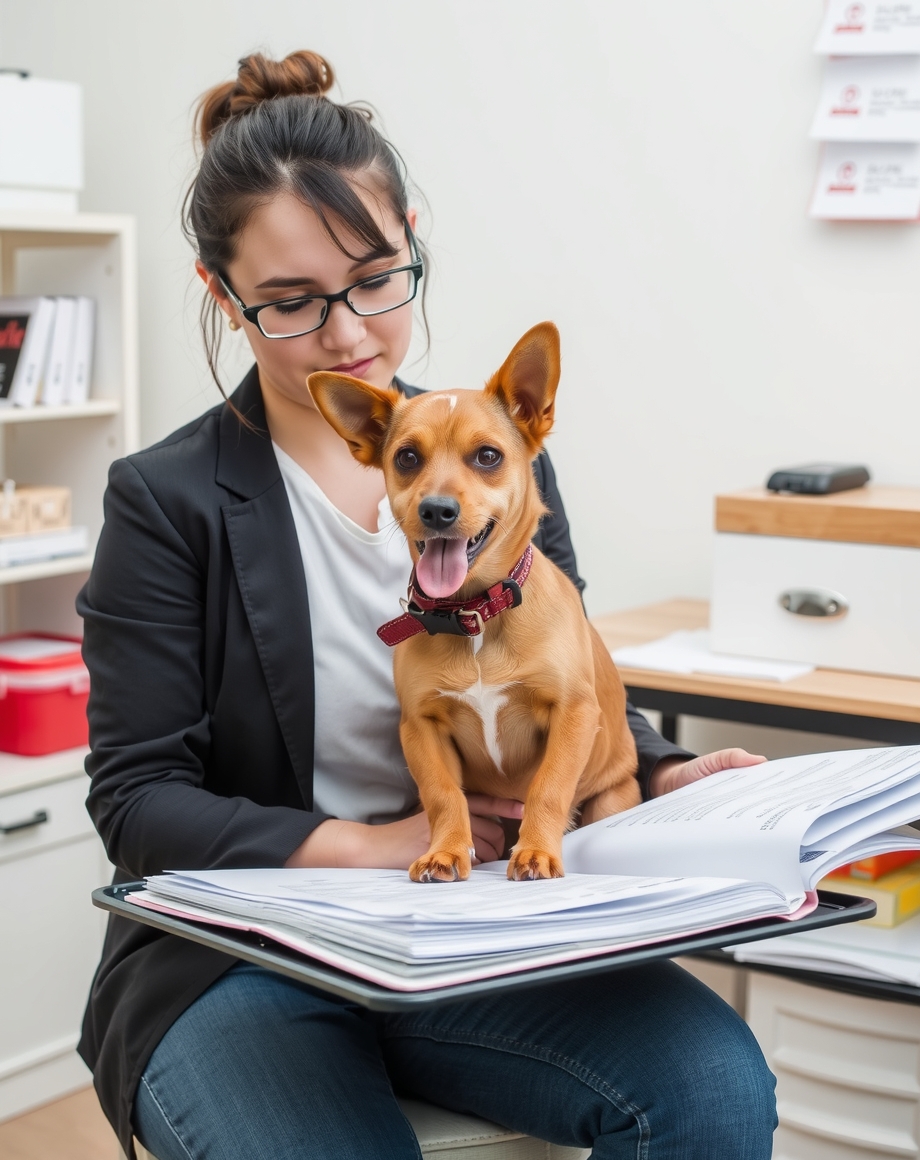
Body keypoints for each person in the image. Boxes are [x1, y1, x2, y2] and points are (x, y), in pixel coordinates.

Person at [77, 49, 777, 1160]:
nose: (350, 332)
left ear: (410, 232)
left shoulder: (494, 462)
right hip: (248, 954)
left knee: (711, 1087)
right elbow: (138, 802)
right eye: (294, 302)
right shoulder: (165, 501)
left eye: (373, 277)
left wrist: (659, 770)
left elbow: (568, 669)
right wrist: (373, 840)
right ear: (222, 293)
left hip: (477, 934)